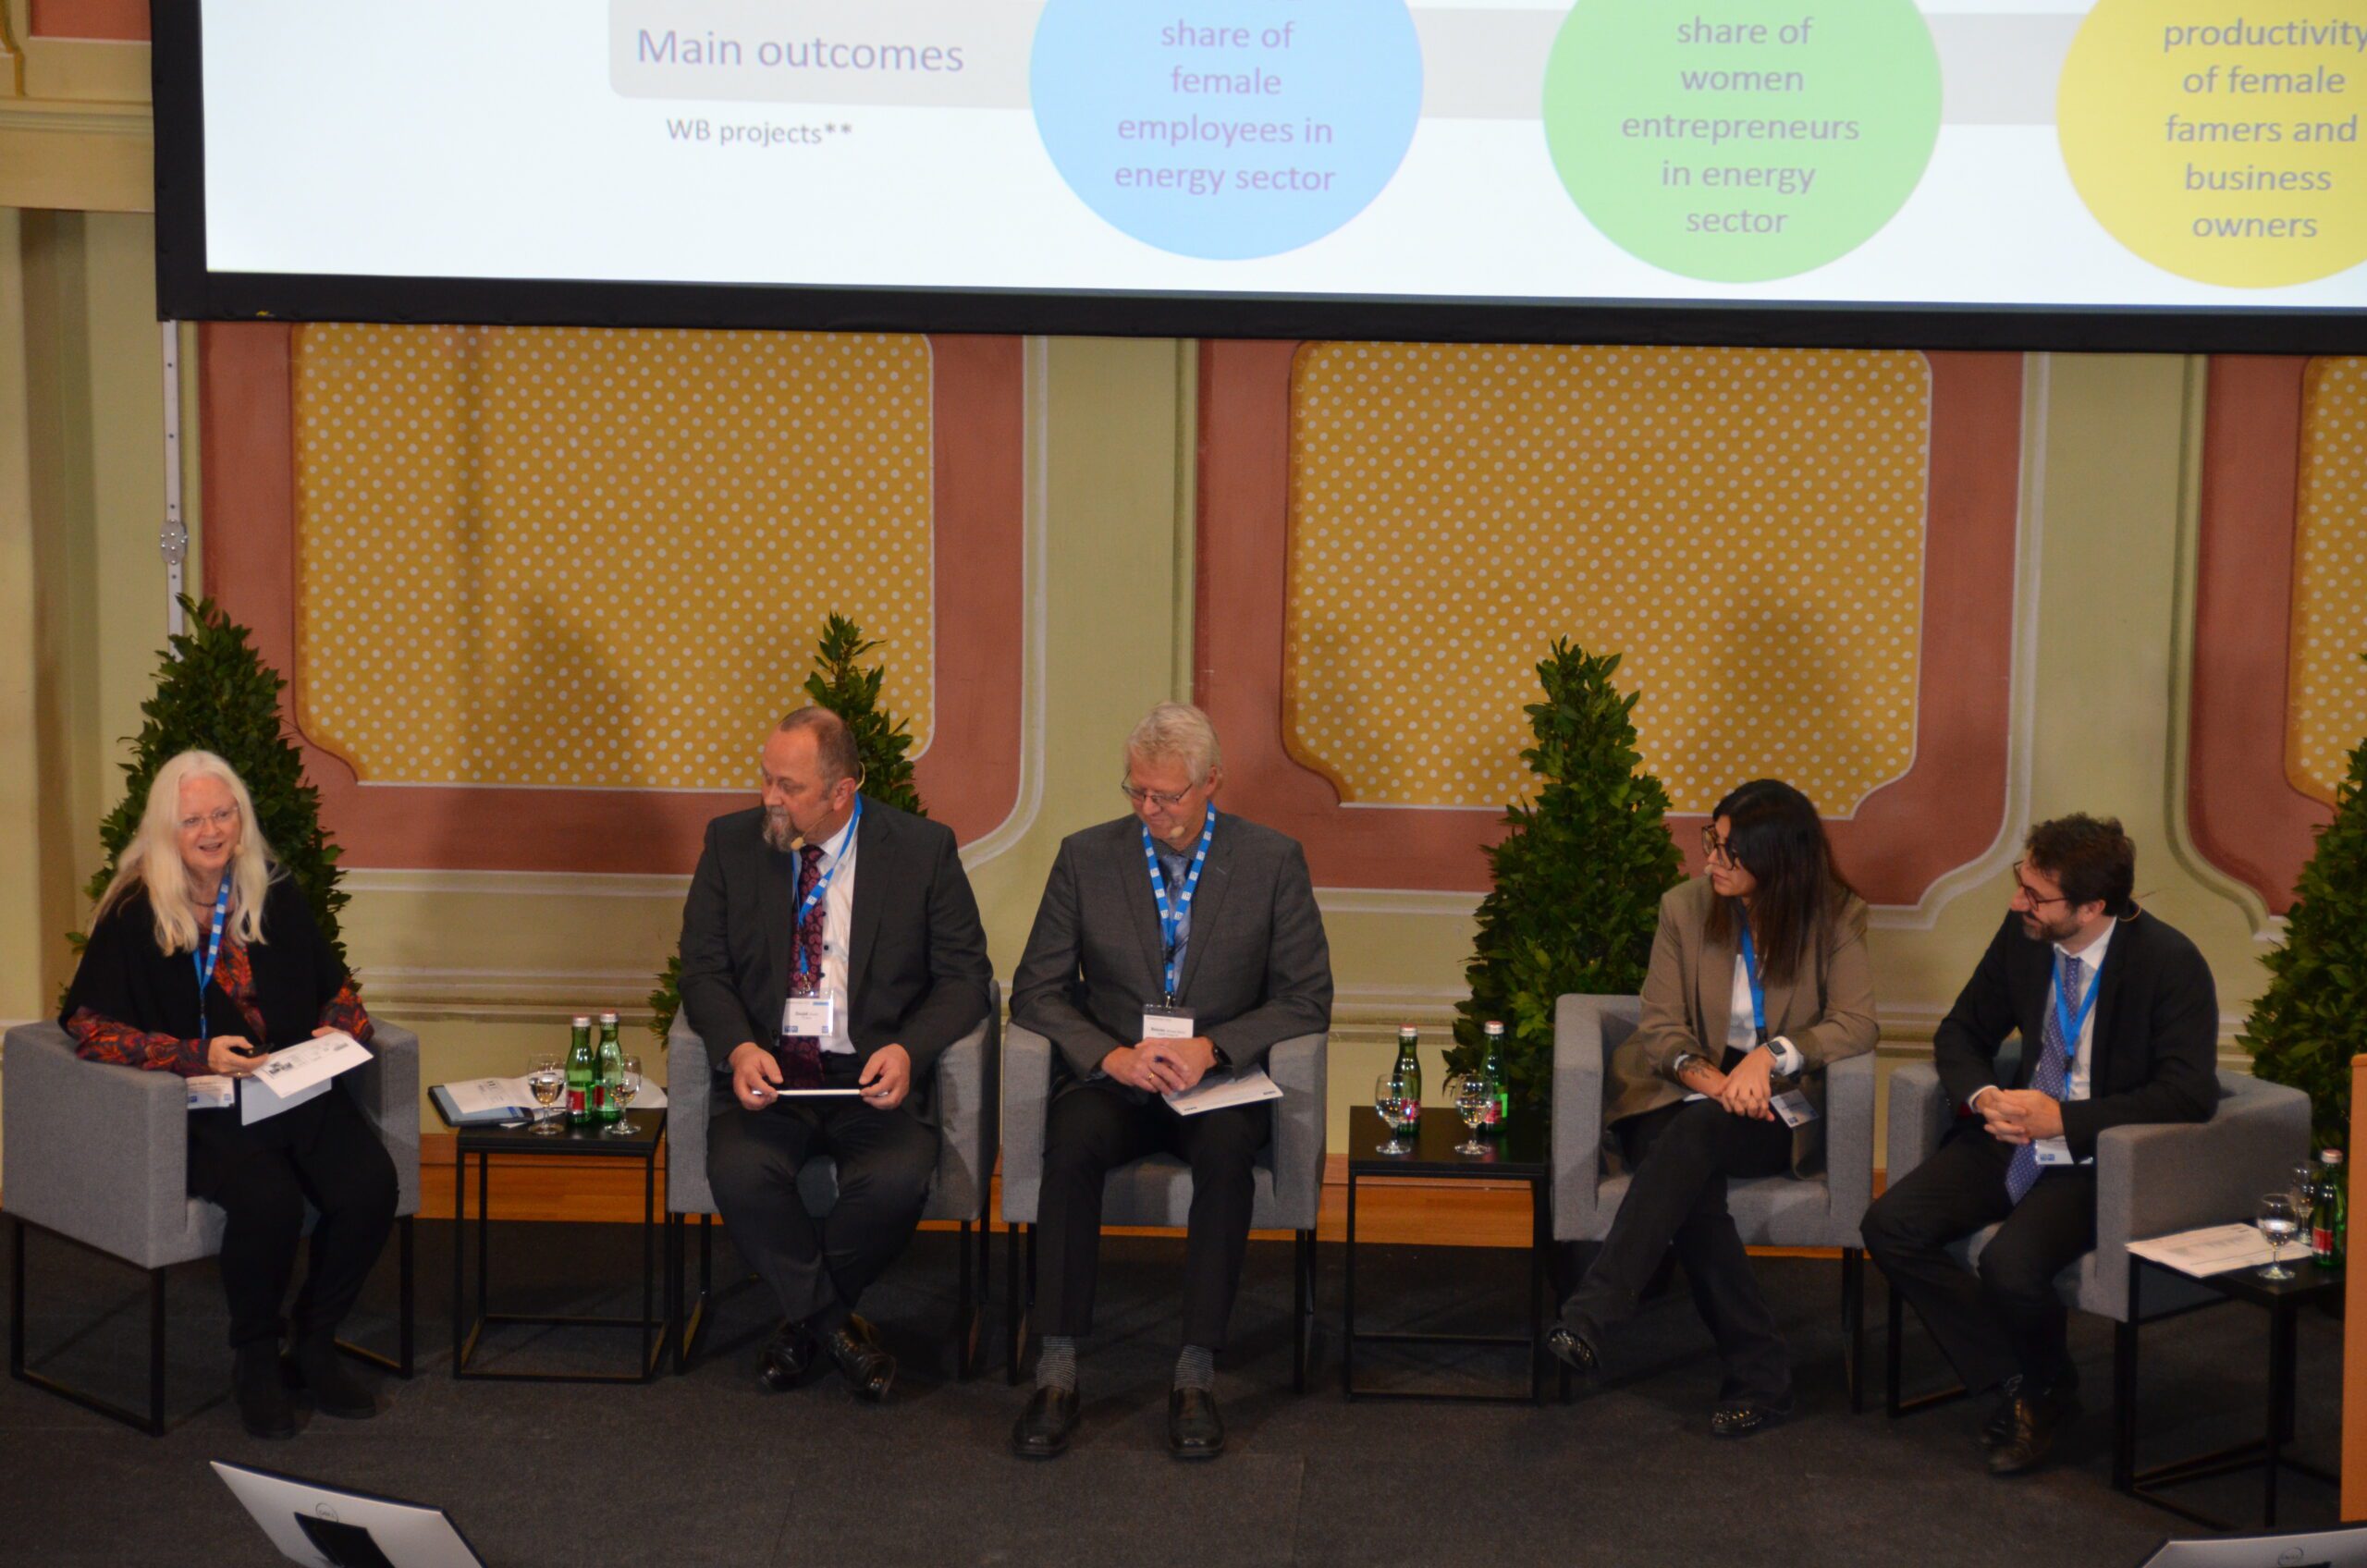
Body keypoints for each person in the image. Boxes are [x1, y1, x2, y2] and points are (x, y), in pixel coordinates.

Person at [1009, 701, 1332, 1460]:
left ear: (1210, 782)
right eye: (1137, 793)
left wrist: (1214, 1048)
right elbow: (1036, 990)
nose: (1149, 810)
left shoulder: (1271, 860)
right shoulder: (1086, 857)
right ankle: (1056, 1370)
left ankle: (1194, 1372)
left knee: (1226, 1156)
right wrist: (1110, 1056)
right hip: (1119, 1076)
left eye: (1167, 796)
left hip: (1215, 1084)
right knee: (1073, 1138)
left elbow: (1305, 995)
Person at [1861, 815, 2218, 1475]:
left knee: (2010, 1266)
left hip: (2097, 1155)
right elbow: (1961, 1033)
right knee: (1890, 1224)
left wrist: (2070, 1121)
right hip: (2010, 1133)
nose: (2016, 901)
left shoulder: (2170, 964)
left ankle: (2033, 1387)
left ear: (2092, 907)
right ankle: (2033, 1381)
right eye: (2020, 883)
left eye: (2034, 894)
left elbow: (2188, 1093)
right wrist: (1983, 1098)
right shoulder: (2023, 938)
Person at [59, 750, 397, 1440]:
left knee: (370, 1185)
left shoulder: (270, 887)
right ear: (166, 830)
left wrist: (333, 1034)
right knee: (268, 1202)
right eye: (192, 820)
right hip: (207, 1104)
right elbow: (88, 1026)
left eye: (222, 813)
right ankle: (254, 1361)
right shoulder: (134, 910)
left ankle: (314, 1340)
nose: (211, 830)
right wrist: (192, 1054)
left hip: (291, 1088)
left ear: (240, 818)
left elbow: (336, 987)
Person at [678, 705, 991, 1403]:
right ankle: (835, 1330)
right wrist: (737, 1049)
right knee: (739, 1169)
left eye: (788, 787)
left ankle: (802, 1326)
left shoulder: (921, 850)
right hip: (772, 1073)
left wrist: (910, 1051)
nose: (769, 798)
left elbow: (967, 978)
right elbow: (702, 971)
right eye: (766, 779)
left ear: (841, 791)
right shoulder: (733, 844)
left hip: (868, 1077)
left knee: (897, 1178)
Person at [1547, 778, 1877, 1436]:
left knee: (1691, 1157)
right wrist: (1718, 1083)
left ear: (1778, 858)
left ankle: (1594, 1311)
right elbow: (1662, 1028)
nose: (1710, 863)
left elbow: (1856, 1024)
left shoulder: (1836, 915)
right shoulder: (1685, 907)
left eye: (1729, 853)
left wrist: (1771, 1057)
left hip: (1773, 1101)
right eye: (1713, 844)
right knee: (1693, 1163)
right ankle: (1760, 1375)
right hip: (1679, 1090)